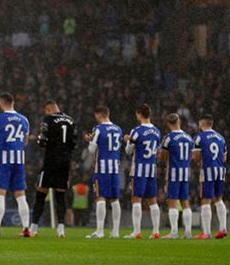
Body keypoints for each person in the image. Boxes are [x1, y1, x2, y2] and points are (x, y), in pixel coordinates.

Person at [0, 93, 32, 238]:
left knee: (0, 195)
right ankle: (26, 229)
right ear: (13, 102)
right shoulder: (24, 120)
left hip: (4, 161)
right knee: (21, 195)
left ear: (1, 103)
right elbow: (25, 142)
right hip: (19, 160)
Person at [30, 100, 76, 238]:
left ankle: (34, 228)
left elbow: (42, 141)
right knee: (60, 196)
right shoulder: (71, 120)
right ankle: (61, 229)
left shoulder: (48, 119)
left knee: (41, 194)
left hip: (51, 161)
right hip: (65, 162)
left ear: (49, 109)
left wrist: (38, 139)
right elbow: (74, 142)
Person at [123, 104, 162, 239]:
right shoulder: (157, 131)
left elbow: (128, 151)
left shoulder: (136, 131)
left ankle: (137, 231)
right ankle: (156, 231)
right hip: (151, 168)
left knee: (136, 199)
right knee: (152, 200)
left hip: (139, 168)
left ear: (139, 114)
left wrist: (127, 141)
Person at [84, 106, 123, 239]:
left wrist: (90, 141)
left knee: (100, 197)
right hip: (115, 168)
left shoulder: (98, 129)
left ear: (99, 115)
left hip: (101, 167)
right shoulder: (118, 129)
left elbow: (91, 150)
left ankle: (100, 231)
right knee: (114, 199)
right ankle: (116, 232)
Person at [158, 113, 194, 239]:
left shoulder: (168, 138)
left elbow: (163, 157)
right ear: (179, 121)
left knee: (172, 202)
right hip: (185, 173)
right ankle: (188, 232)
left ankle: (173, 232)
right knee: (185, 202)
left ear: (168, 124)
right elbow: (192, 157)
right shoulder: (189, 138)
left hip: (173, 173)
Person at [192, 114, 228, 239]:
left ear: (202, 123)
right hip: (220, 170)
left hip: (208, 170)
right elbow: (224, 158)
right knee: (219, 199)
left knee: (206, 200)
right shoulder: (221, 137)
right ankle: (223, 228)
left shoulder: (200, 137)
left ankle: (206, 233)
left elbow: (196, 158)